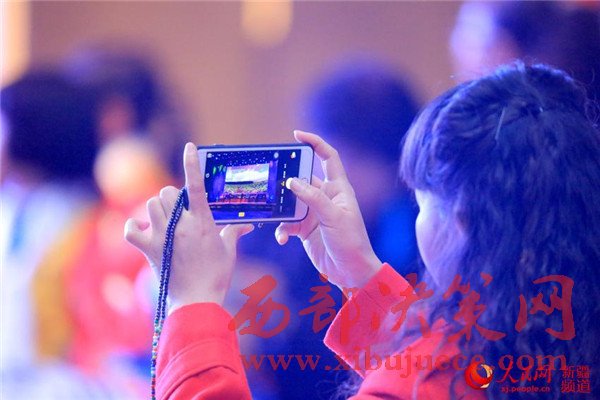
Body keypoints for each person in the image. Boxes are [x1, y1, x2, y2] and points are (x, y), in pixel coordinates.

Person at [125, 63, 600, 399]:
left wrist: (191, 304)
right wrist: (361, 276)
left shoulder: (425, 385)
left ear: (461, 221)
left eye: (421, 202)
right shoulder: (545, 339)